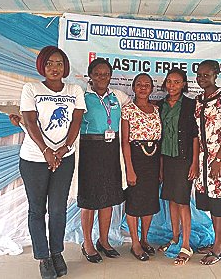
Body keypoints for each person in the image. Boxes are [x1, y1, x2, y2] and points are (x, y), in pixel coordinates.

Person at [19, 46, 86, 279]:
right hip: (34, 159)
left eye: (58, 63)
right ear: (42, 66)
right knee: (37, 210)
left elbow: (76, 121)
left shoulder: (74, 89)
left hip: (64, 158)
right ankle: (43, 257)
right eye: (49, 63)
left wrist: (64, 149)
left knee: (58, 209)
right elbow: (30, 121)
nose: (54, 68)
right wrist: (46, 150)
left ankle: (57, 252)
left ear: (65, 66)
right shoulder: (31, 88)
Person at [77, 58, 130, 263]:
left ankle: (104, 240)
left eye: (105, 74)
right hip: (89, 150)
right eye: (97, 74)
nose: (102, 77)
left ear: (110, 76)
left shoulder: (117, 96)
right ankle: (87, 243)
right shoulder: (82, 95)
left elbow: (135, 110)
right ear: (90, 76)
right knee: (89, 200)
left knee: (107, 198)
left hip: (111, 150)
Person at [194, 60, 221, 265]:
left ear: (215, 75)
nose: (202, 78)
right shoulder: (198, 99)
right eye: (199, 75)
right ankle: (216, 242)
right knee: (212, 201)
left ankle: (220, 248)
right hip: (205, 159)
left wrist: (219, 159)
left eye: (206, 75)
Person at [157, 68, 199, 265]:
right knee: (171, 200)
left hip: (184, 160)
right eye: (169, 81)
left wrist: (195, 162)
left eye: (177, 82)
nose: (172, 85)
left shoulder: (190, 105)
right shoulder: (160, 105)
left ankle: (186, 244)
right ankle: (174, 238)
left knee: (182, 201)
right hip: (166, 158)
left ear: (184, 84)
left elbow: (195, 135)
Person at [121, 73, 162, 261]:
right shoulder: (127, 109)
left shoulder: (156, 110)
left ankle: (145, 239)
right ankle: (135, 243)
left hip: (153, 160)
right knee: (134, 202)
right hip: (135, 158)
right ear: (134, 87)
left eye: (147, 84)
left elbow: (160, 141)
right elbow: (124, 142)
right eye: (139, 84)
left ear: (152, 88)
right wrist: (129, 168)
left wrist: (161, 168)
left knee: (150, 202)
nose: (143, 87)